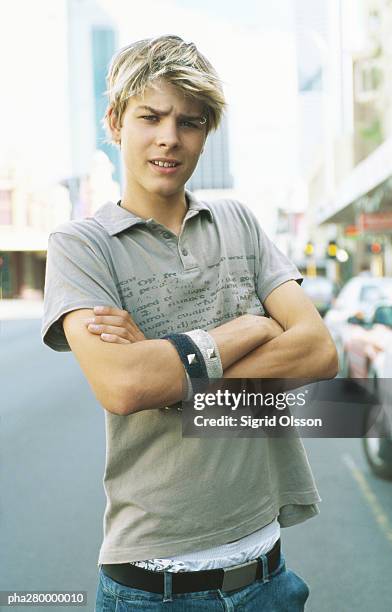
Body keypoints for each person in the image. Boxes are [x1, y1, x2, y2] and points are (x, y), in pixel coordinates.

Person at [41, 35, 338, 611]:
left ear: (206, 133)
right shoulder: (81, 247)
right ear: (115, 122)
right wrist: (252, 327)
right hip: (154, 586)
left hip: (270, 575)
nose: (169, 138)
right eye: (150, 116)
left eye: (190, 122)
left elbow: (319, 351)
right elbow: (125, 386)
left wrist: (174, 378)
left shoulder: (240, 222)